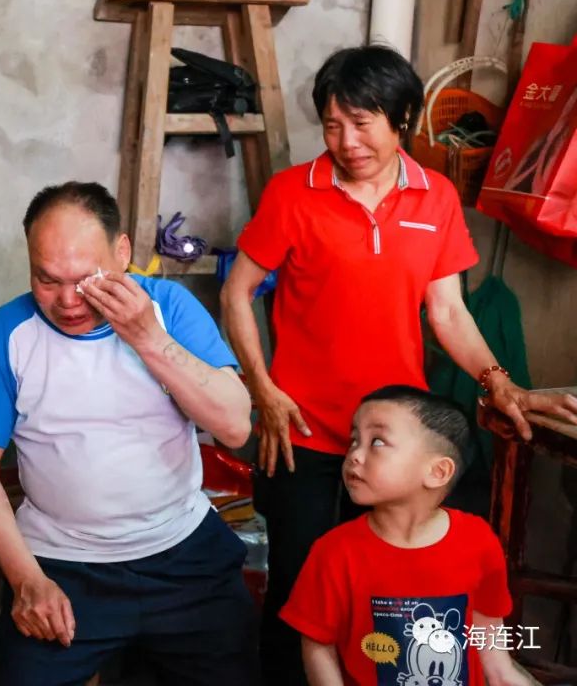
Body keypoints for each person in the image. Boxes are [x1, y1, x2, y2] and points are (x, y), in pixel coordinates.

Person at [219, 45, 577, 686]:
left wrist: (502, 385)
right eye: (333, 125)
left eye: (363, 123)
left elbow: (448, 311)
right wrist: (264, 391)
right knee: (297, 596)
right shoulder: (292, 193)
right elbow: (235, 292)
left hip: (394, 438)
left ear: (402, 118)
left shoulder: (436, 197)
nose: (347, 142)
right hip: (299, 429)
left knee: (383, 591)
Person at [0, 181, 258, 686]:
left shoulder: (168, 308)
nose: (68, 301)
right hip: (61, 564)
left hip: (183, 553)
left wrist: (148, 339)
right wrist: (27, 580)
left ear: (122, 252)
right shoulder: (8, 333)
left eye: (85, 278)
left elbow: (234, 426)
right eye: (47, 280)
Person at [281, 385, 528, 686]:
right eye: (354, 440)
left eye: (377, 442)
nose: (354, 455)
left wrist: (505, 677)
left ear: (438, 472)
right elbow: (318, 644)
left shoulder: (478, 540)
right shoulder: (334, 552)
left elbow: (488, 633)